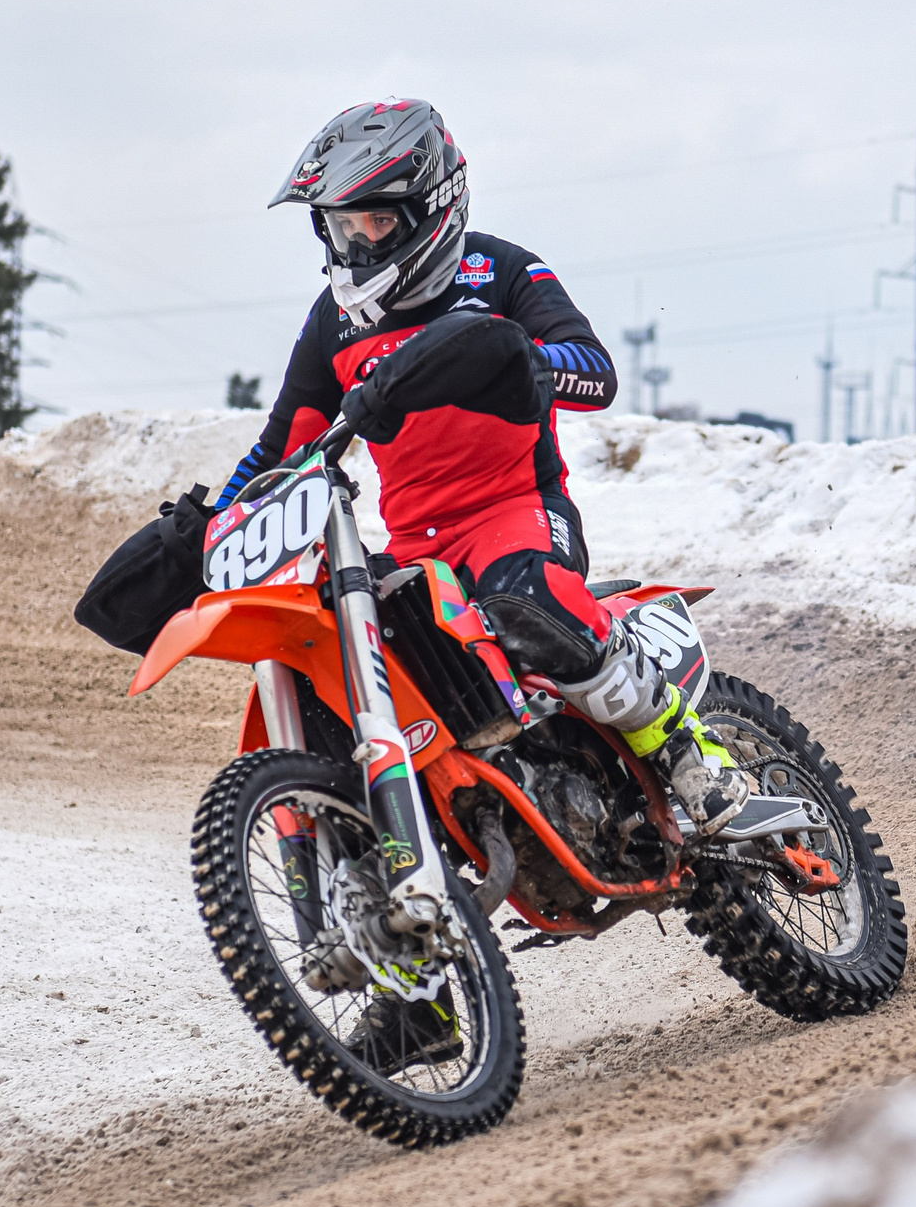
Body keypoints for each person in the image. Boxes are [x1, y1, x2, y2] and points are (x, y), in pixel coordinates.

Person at [217, 100, 749, 843]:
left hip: (519, 511)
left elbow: (595, 370)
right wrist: (214, 520)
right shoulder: (333, 323)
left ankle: (685, 747)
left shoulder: (498, 269)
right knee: (353, 658)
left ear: (428, 208)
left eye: (374, 221)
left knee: (526, 599)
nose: (357, 242)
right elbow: (284, 446)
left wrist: (520, 361)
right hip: (416, 548)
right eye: (341, 227)